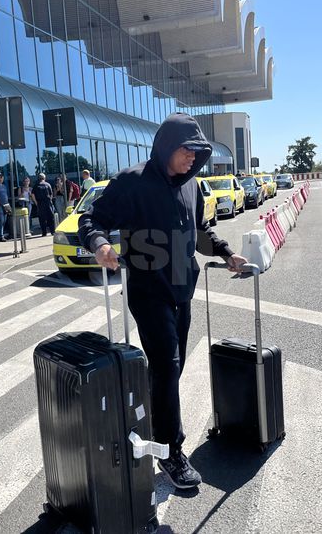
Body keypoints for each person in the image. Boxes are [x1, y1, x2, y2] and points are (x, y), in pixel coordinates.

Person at [78, 113, 248, 490]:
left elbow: (201, 230)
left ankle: (150, 420)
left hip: (182, 289)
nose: (193, 158)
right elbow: (91, 219)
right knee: (168, 366)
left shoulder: (192, 186)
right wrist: (101, 245)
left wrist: (226, 253)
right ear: (167, 146)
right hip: (148, 290)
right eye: (187, 150)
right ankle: (172, 451)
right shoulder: (132, 182)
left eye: (198, 152)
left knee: (169, 367)